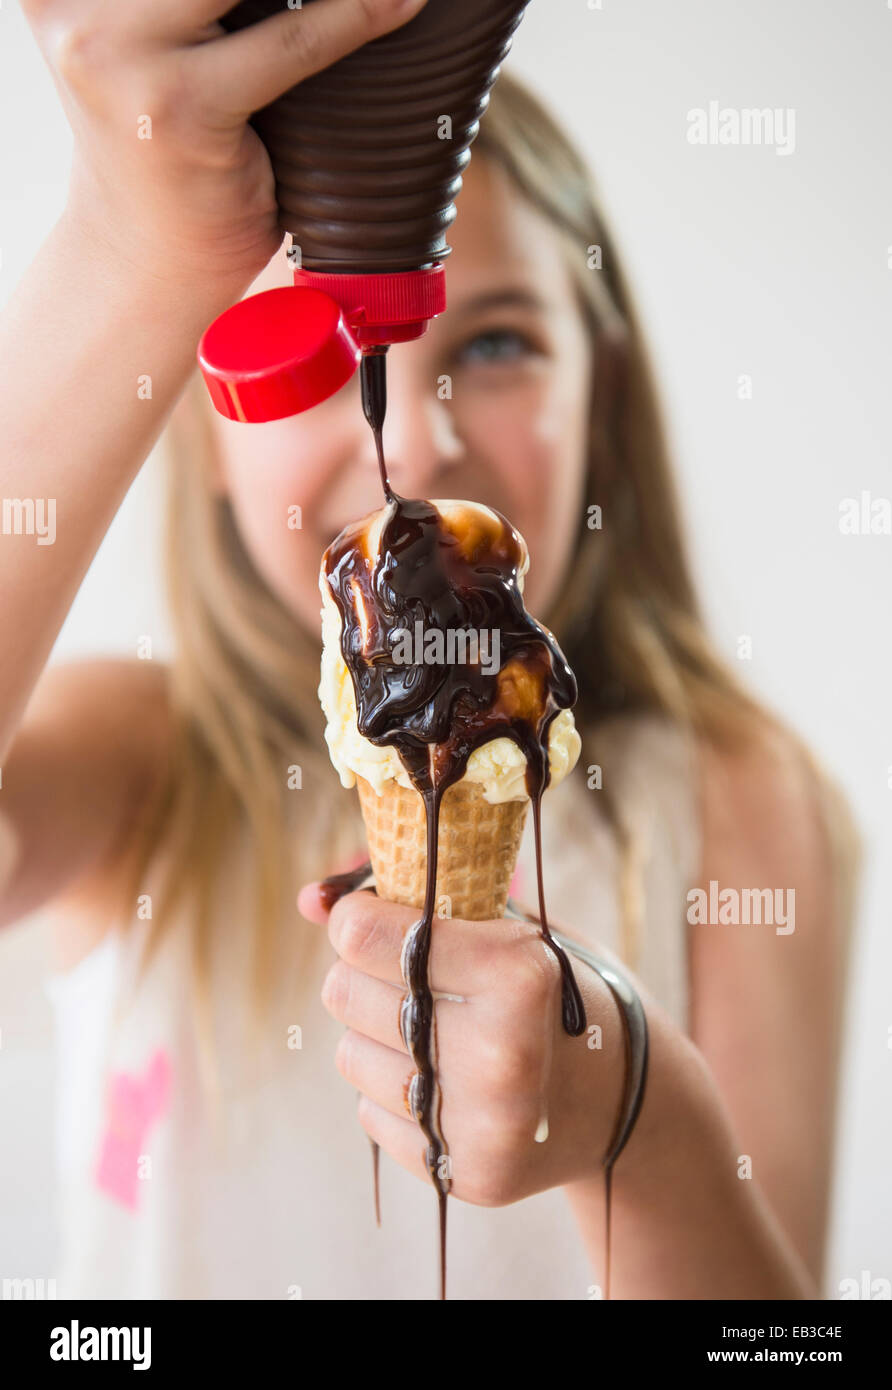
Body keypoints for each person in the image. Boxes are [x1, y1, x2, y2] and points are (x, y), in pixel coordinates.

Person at [0, 0, 859, 1300]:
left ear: (601, 396)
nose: (419, 439)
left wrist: (642, 1120)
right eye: (317, 361)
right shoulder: (142, 770)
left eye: (501, 345)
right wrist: (130, 253)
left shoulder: (741, 806)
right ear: (207, 439)